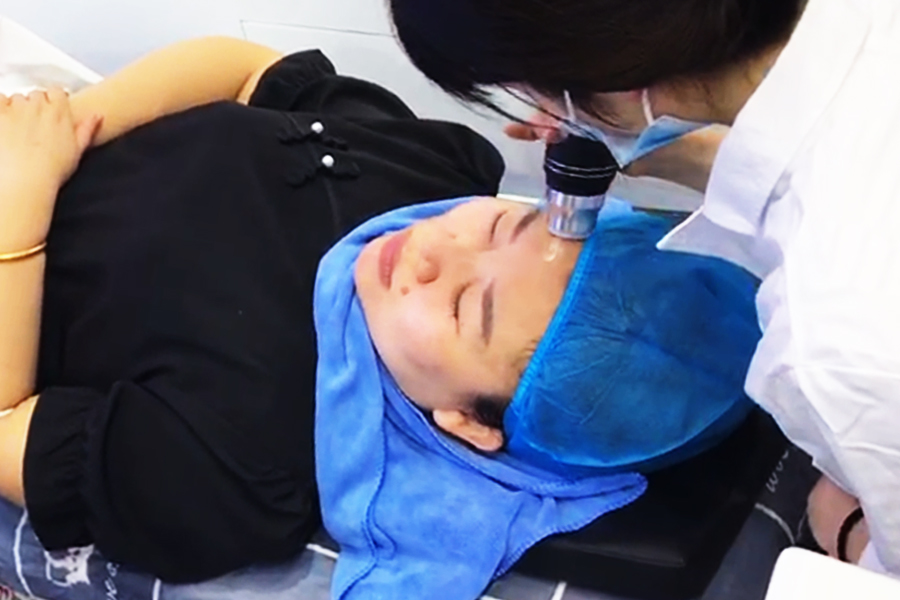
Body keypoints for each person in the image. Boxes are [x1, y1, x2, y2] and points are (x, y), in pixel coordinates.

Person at [0, 37, 760, 593]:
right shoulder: (437, 171)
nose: (435, 250)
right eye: (506, 225)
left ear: (468, 422)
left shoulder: (238, 467)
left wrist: (20, 205)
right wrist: (60, 134)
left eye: (464, 307)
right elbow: (245, 69)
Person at [389, 0, 900, 574]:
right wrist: (665, 153)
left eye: (465, 307)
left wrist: (851, 534)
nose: (426, 253)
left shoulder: (836, 344)